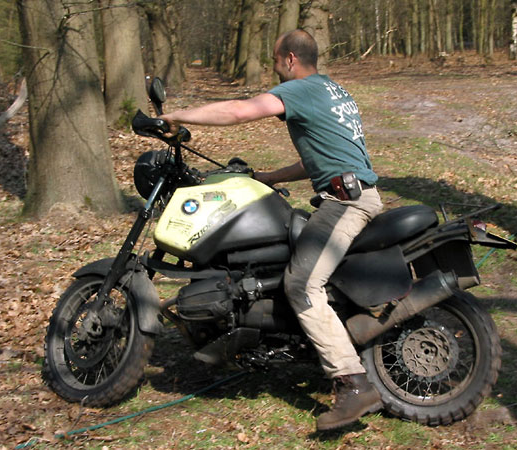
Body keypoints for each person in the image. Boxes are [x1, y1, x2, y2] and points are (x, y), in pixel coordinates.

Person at [160, 29, 383, 431]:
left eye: (276, 61)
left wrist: (176, 116)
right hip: (352, 192)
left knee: (302, 284)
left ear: (291, 60)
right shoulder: (333, 91)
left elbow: (240, 111)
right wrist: (266, 176)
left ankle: (353, 384)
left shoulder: (300, 90)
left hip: (345, 203)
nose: (274, 68)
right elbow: (320, 159)